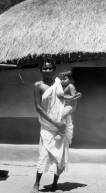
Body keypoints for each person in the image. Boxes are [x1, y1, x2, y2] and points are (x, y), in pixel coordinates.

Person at [31, 59, 81, 193]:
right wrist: (55, 123)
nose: (47, 71)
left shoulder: (59, 83)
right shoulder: (38, 85)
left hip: (62, 123)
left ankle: (54, 184)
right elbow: (38, 108)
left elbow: (67, 96)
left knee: (60, 155)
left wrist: (75, 96)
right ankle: (36, 183)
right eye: (44, 68)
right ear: (40, 70)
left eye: (49, 68)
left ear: (54, 69)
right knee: (44, 154)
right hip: (48, 124)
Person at [54, 70, 81, 140]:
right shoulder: (60, 86)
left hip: (71, 105)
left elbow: (74, 97)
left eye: (65, 79)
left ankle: (62, 132)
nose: (62, 81)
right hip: (63, 105)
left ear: (70, 79)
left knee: (64, 114)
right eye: (61, 79)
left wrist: (63, 97)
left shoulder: (70, 86)